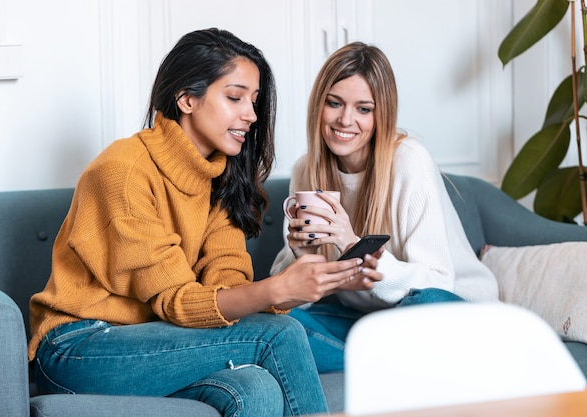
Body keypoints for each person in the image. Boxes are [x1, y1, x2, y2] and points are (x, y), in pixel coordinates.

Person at [27, 28, 367, 417]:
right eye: (235, 97)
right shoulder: (122, 172)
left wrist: (296, 290)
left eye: (254, 101)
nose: (251, 115)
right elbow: (177, 301)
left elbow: (227, 288)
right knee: (280, 335)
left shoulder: (221, 178)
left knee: (254, 389)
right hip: (80, 348)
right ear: (187, 99)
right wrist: (274, 290)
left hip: (161, 341)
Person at [270, 41, 499, 373]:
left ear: (382, 114)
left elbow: (438, 283)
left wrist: (351, 244)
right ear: (318, 105)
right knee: (278, 326)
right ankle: (393, 362)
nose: (345, 120)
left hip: (448, 308)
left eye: (364, 109)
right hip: (371, 320)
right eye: (334, 103)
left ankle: (377, 359)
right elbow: (292, 296)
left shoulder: (409, 161)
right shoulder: (307, 170)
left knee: (428, 302)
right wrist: (302, 255)